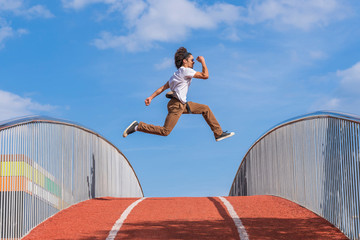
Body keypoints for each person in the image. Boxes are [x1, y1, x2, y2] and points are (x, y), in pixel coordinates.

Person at [123, 47, 234, 142]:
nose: (194, 62)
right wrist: (203, 62)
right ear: (185, 61)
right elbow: (205, 76)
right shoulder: (186, 71)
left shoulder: (175, 75)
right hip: (177, 106)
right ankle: (138, 126)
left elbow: (162, 88)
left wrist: (151, 97)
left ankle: (218, 133)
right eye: (192, 60)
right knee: (165, 131)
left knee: (205, 109)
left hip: (181, 104)